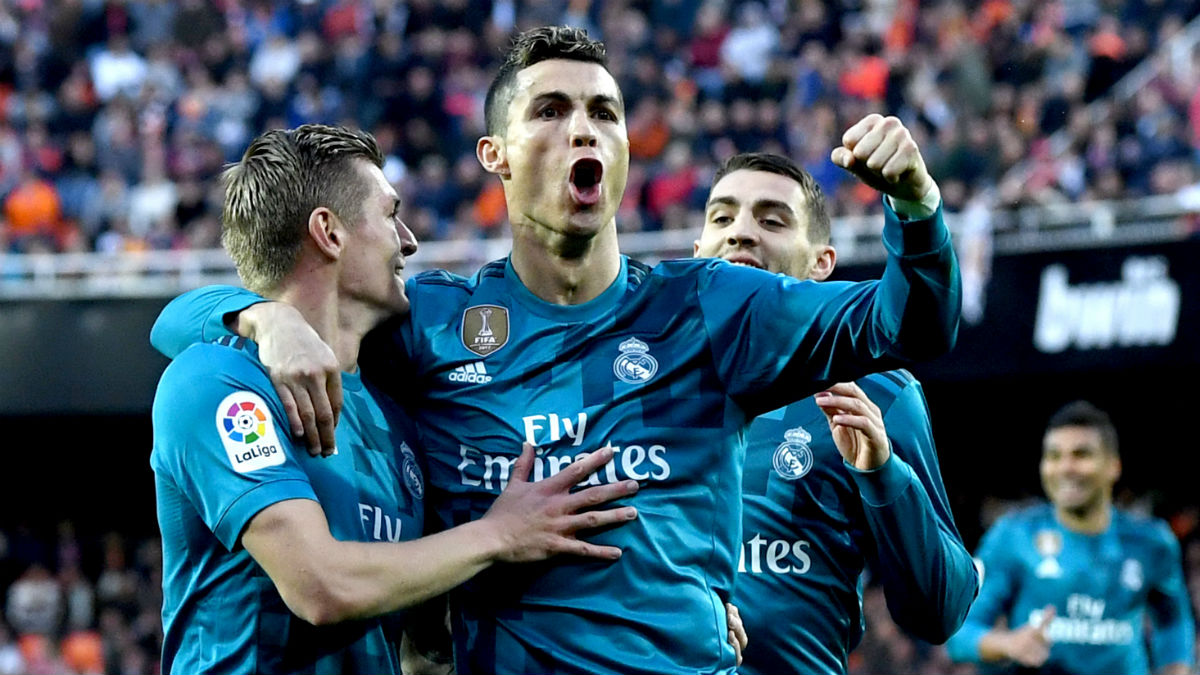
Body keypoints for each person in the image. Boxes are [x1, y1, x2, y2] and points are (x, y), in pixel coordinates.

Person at [150, 26, 961, 675]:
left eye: (604, 114)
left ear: (622, 156)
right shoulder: (427, 325)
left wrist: (917, 209)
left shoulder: (712, 304)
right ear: (494, 155)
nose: (584, 127)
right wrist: (261, 317)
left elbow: (908, 324)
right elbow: (181, 335)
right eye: (550, 110)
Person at [151, 124, 639, 675]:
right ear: (328, 233)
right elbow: (321, 588)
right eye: (389, 215)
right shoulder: (216, 380)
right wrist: (495, 535)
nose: (408, 239)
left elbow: (425, 635)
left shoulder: (396, 419)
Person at [693, 151, 979, 675]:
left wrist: (882, 472)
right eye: (722, 217)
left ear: (821, 264)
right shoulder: (642, 382)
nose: (740, 232)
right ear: (697, 251)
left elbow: (941, 610)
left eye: (772, 219)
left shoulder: (875, 394)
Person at [945, 401, 1195, 675]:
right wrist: (1008, 644)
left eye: (1081, 455)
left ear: (1113, 466)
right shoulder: (1013, 536)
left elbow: (1173, 620)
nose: (1065, 467)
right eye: (1053, 456)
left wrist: (1177, 667)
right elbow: (960, 634)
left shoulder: (1152, 543)